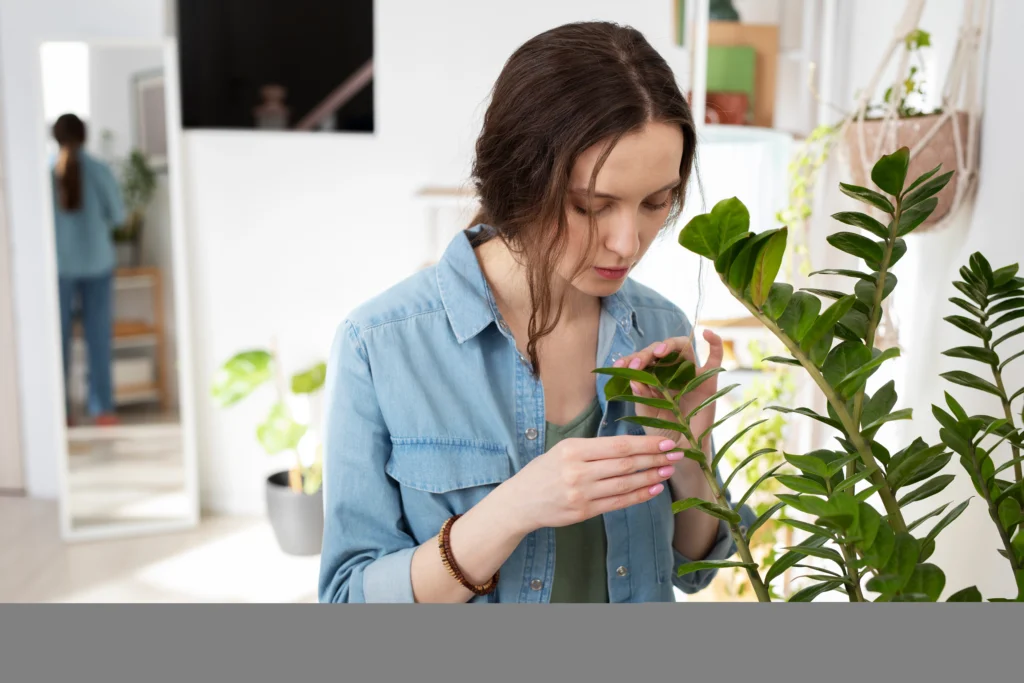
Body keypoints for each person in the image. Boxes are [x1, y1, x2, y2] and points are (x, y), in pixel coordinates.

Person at [319, 21, 756, 604]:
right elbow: (347, 599)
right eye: (591, 207)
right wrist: (510, 511)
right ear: (519, 183)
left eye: (656, 202)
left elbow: (695, 570)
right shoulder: (379, 345)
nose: (629, 242)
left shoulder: (660, 328)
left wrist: (688, 455)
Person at [51, 113, 126, 426]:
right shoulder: (99, 170)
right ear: (85, 136)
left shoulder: (45, 171)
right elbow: (119, 215)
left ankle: (62, 413)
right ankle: (102, 409)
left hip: (59, 266)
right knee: (98, 336)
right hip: (97, 263)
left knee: (58, 339)